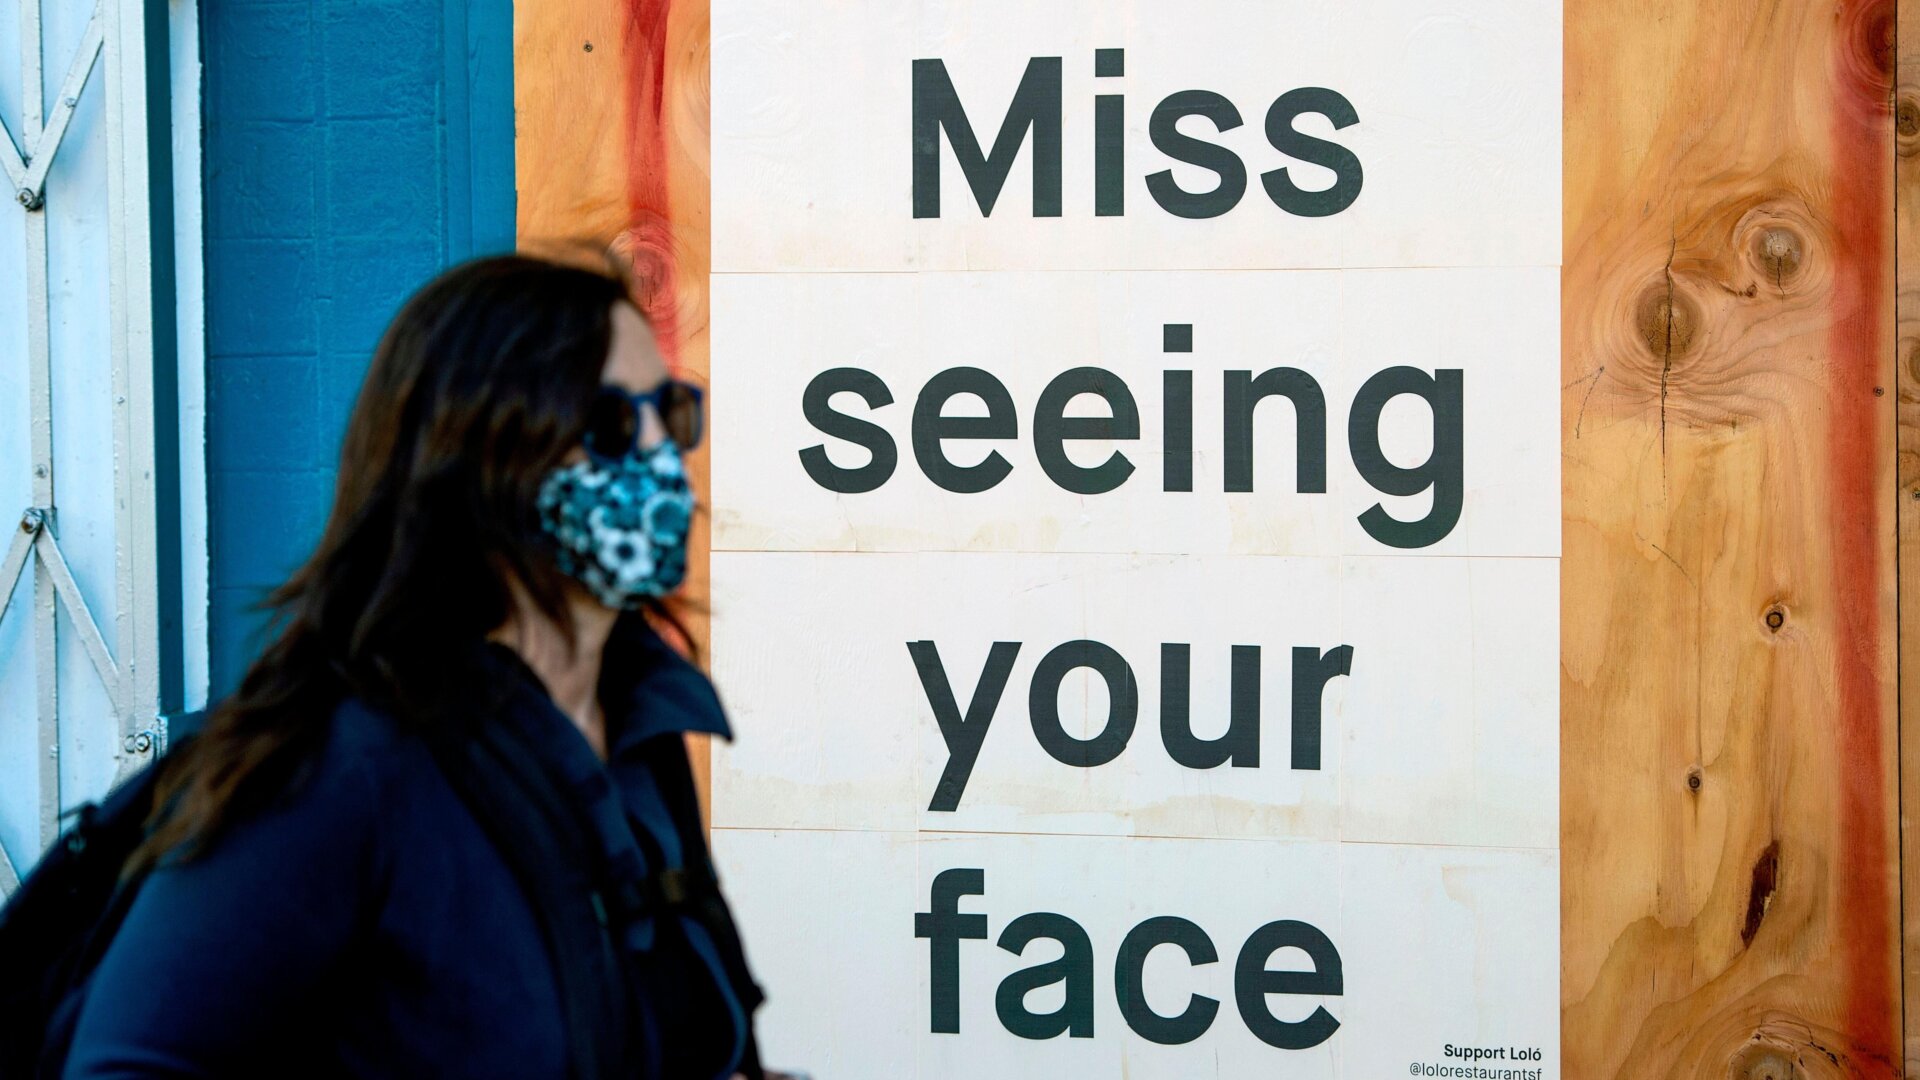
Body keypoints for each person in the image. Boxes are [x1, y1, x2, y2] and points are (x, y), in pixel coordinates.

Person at [60, 254, 789, 1080]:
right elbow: (129, 1066)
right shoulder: (341, 768)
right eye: (616, 428)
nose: (663, 457)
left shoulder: (642, 734)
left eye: (672, 415)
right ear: (483, 461)